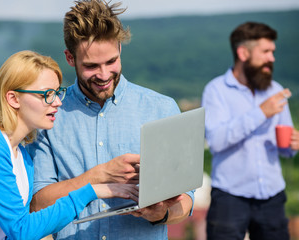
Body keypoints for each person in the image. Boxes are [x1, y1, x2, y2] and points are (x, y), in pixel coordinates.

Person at [26, 1, 195, 239]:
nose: (104, 75)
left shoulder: (162, 108)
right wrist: (98, 176)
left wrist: (159, 213)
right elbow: (38, 205)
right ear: (70, 58)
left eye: (111, 62)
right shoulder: (49, 114)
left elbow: (185, 202)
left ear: (120, 49)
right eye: (91, 66)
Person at [0, 50, 139, 240]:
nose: (57, 102)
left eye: (57, 92)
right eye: (47, 94)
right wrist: (91, 191)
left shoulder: (23, 156)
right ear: (13, 98)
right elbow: (22, 230)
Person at [201, 21, 299, 240]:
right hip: (229, 197)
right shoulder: (215, 91)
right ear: (243, 53)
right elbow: (216, 141)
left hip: (273, 197)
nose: (272, 58)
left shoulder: (275, 89)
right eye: (265, 52)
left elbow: (285, 148)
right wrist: (261, 113)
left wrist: (293, 145)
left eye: (272, 52)